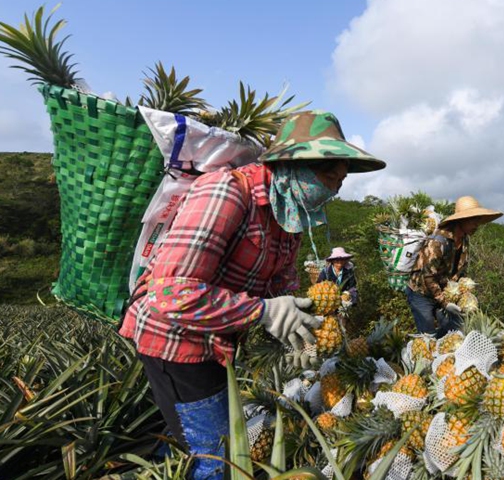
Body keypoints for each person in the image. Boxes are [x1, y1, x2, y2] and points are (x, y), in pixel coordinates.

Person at [118, 110, 385, 480]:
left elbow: (282, 286)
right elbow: (170, 292)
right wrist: (264, 312)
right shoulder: (226, 192)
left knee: (195, 441)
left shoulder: (287, 212)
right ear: (293, 165)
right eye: (329, 176)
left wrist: (299, 318)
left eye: (340, 179)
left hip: (218, 341)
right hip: (174, 341)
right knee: (220, 460)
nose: (336, 188)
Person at [405, 196, 502, 338]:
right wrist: (445, 302)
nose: (477, 224)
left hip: (443, 291)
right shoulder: (438, 241)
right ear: (461, 220)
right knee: (428, 337)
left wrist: (463, 292)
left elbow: (460, 270)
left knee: (453, 331)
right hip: (421, 292)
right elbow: (428, 276)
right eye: (473, 220)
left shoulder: (464, 239)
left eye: (477, 220)